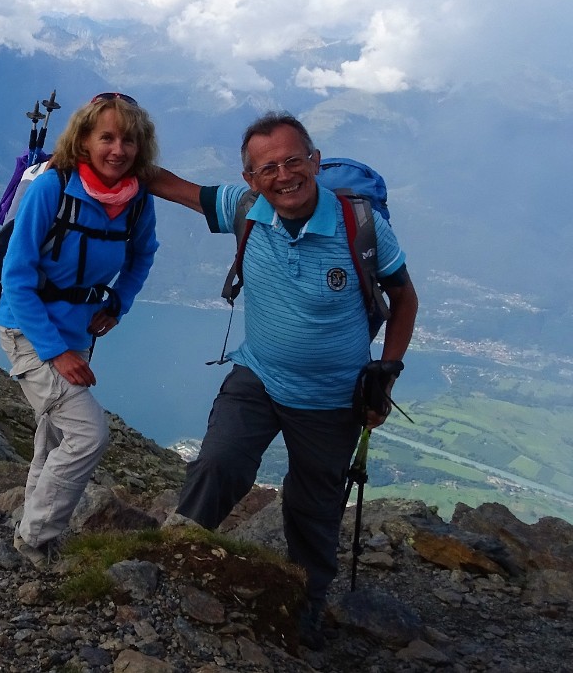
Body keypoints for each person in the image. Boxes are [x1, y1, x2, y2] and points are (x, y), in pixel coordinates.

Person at [148, 111, 419, 648]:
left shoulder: (359, 226)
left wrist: (387, 370)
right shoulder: (244, 208)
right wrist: (94, 152)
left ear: (315, 161)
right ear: (251, 179)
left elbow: (404, 296)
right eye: (267, 167)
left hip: (331, 397)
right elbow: (165, 184)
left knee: (313, 507)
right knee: (218, 463)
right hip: (260, 376)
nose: (284, 174)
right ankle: (171, 562)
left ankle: (306, 607)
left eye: (294, 160)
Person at [0, 92, 160, 569]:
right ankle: (35, 538)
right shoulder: (54, 189)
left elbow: (142, 254)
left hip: (77, 331)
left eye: (129, 139)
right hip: (29, 330)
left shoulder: (135, 199)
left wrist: (118, 301)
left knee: (53, 436)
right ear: (84, 140)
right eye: (106, 136)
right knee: (88, 434)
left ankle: (31, 528)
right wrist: (55, 353)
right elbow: (17, 275)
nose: (118, 149)